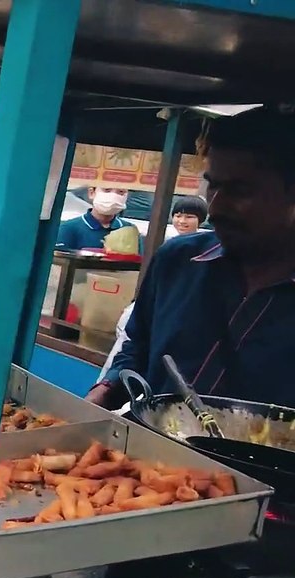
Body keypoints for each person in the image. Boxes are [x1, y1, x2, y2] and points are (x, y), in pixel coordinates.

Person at [88, 106, 295, 410]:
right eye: (214, 185)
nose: (217, 206)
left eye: (240, 190)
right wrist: (107, 388)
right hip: (148, 452)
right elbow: (138, 347)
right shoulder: (177, 261)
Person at [97, 194, 210, 378]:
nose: (182, 221)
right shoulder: (169, 245)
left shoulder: (204, 251)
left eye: (189, 216)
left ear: (202, 220)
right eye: (178, 215)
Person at [55, 186, 135, 251]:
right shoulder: (69, 228)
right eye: (107, 190)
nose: (114, 196)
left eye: (121, 192)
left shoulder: (129, 229)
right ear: (91, 193)